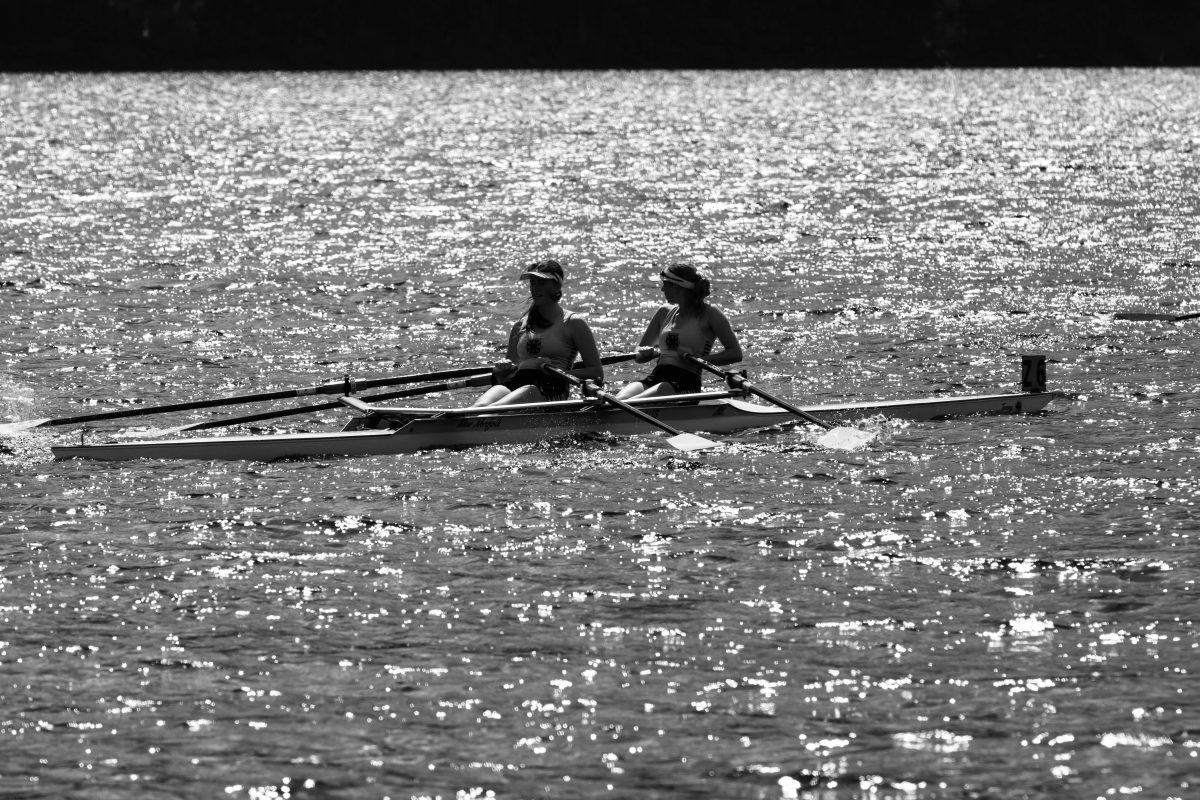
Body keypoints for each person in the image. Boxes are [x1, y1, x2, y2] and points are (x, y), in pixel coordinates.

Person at [472, 259, 604, 406]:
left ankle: (489, 415)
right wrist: (501, 371)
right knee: (488, 398)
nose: (535, 288)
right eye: (533, 283)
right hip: (518, 384)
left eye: (541, 283)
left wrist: (557, 373)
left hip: (551, 390)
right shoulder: (520, 326)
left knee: (525, 393)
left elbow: (596, 372)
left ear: (556, 286)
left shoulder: (573, 323)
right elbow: (510, 371)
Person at [615, 263, 743, 400]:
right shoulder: (664, 312)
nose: (662, 289)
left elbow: (735, 353)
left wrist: (700, 360)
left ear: (678, 287)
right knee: (618, 401)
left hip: (686, 383)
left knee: (631, 404)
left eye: (665, 284)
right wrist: (644, 352)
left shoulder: (710, 314)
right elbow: (638, 357)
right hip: (655, 377)